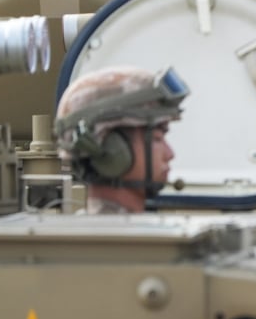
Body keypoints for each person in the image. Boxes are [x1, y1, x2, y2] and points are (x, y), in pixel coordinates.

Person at [54, 65, 188, 213]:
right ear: (113, 148)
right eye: (157, 139)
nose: (170, 154)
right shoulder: (105, 235)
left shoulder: (129, 231)